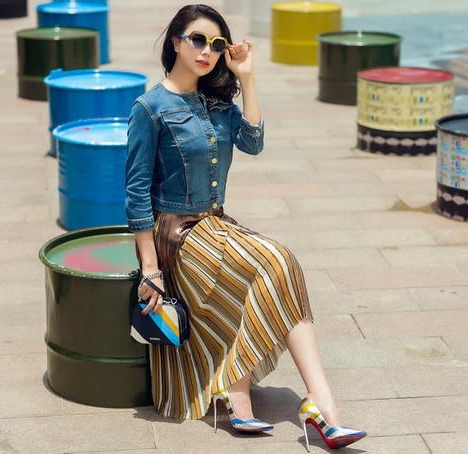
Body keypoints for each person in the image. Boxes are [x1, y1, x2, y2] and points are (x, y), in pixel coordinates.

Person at [124, 4, 366, 451]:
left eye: (217, 44)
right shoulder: (150, 108)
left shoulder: (218, 103)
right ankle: (257, 395)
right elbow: (136, 192)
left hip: (216, 226)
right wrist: (150, 269)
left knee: (278, 265)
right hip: (176, 235)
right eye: (198, 40)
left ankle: (316, 404)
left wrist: (248, 77)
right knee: (273, 259)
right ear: (175, 41)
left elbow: (253, 142)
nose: (207, 51)